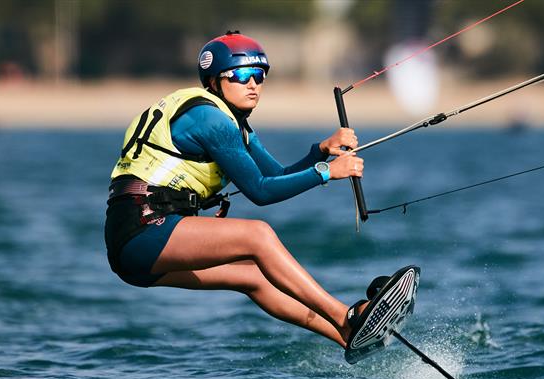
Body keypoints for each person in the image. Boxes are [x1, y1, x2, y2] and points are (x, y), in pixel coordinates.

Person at [104, 31, 369, 349]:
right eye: (242, 76)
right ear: (215, 81)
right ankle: (345, 316)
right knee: (257, 235)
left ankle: (345, 336)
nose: (253, 85)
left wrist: (320, 152)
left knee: (254, 276)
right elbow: (261, 192)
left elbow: (276, 176)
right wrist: (327, 172)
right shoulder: (209, 120)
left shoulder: (235, 125)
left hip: (142, 244)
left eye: (259, 76)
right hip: (142, 229)